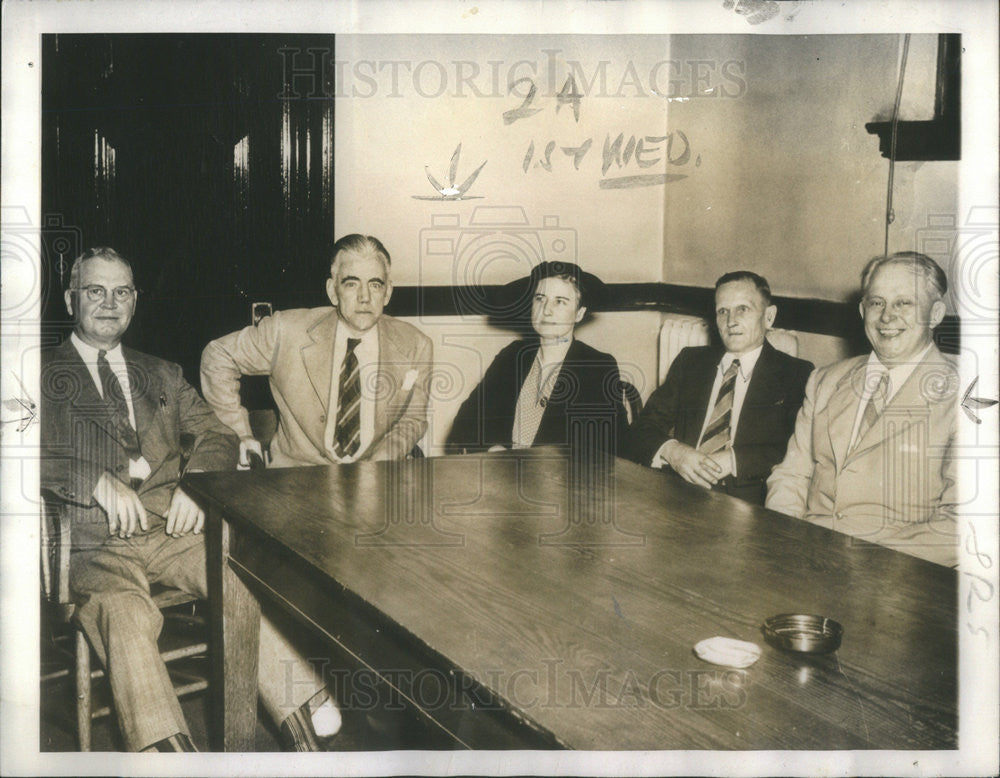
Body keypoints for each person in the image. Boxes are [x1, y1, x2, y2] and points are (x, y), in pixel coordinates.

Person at [40, 247, 341, 752]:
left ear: (134, 303)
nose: (109, 303)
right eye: (96, 290)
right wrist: (91, 479)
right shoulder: (33, 372)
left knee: (235, 580)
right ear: (72, 298)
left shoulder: (161, 372)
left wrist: (195, 482)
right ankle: (167, 748)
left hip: (169, 530)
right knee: (126, 611)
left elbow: (217, 435)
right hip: (91, 541)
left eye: (122, 292)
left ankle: (300, 709)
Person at [766, 252, 958, 567]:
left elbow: (962, 522)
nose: (887, 317)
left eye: (904, 303)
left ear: (936, 313)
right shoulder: (826, 380)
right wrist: (784, 541)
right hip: (804, 553)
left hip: (898, 571)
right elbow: (792, 475)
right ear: (861, 310)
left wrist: (869, 564)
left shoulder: (968, 394)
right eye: (876, 303)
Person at [201, 234, 433, 466]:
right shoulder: (286, 331)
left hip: (375, 480)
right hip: (295, 481)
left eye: (375, 284)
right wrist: (239, 433)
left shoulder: (415, 345)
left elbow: (413, 419)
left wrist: (382, 461)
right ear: (333, 291)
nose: (365, 297)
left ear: (388, 292)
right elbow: (219, 354)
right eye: (351, 283)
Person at [627, 271, 814, 504]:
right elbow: (643, 427)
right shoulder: (691, 362)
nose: (731, 321)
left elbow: (797, 449)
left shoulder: (796, 373)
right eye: (722, 311)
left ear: (769, 317)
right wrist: (673, 451)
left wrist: (735, 460)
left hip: (747, 500)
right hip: (678, 488)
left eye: (743, 309)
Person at [445, 261, 628, 455]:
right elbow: (466, 422)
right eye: (540, 298)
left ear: (579, 314)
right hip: (503, 476)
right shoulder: (512, 356)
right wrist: (493, 448)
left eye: (560, 301)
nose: (546, 310)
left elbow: (610, 447)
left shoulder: (596, 367)